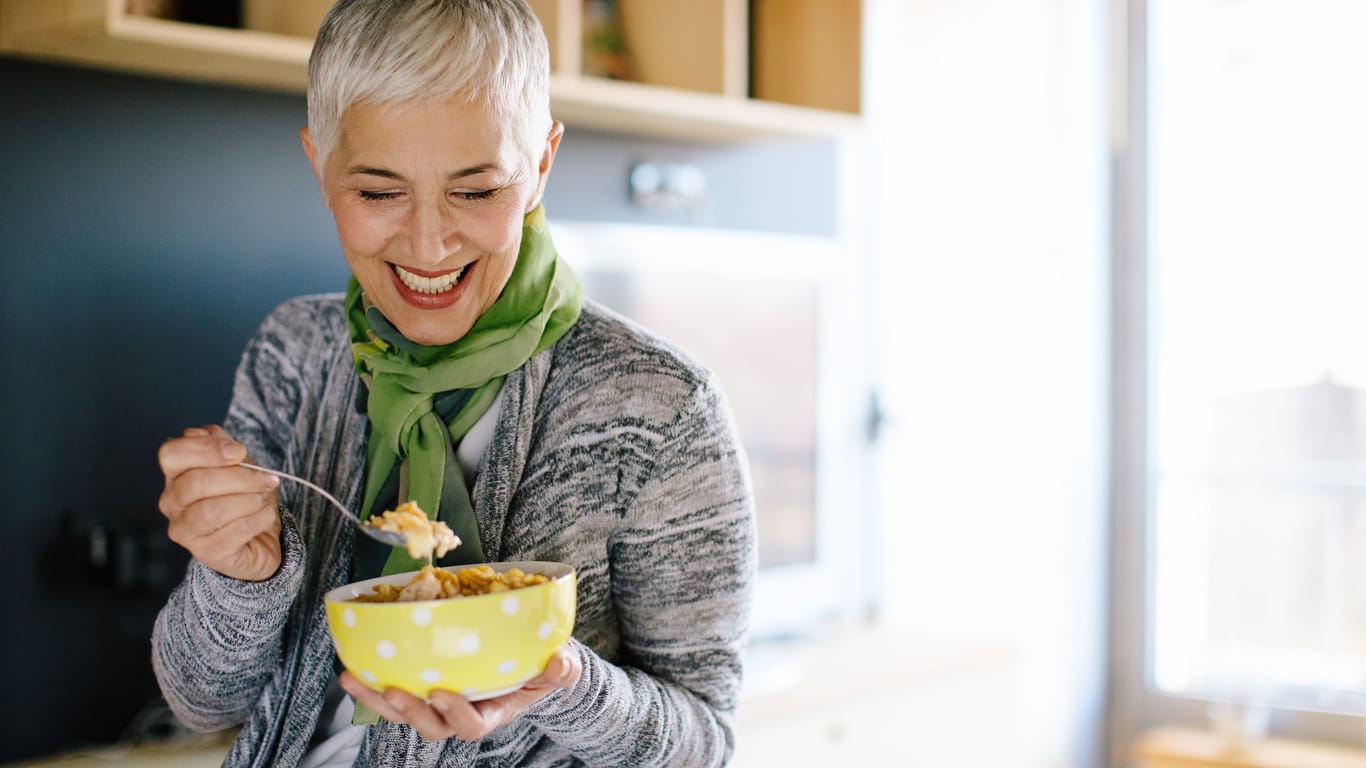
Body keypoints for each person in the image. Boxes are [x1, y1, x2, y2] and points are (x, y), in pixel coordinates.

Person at [150, 0, 757, 765]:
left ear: (539, 165)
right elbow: (202, 702)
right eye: (378, 192)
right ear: (319, 165)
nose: (430, 244)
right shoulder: (294, 355)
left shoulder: (661, 407)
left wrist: (561, 683)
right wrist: (241, 576)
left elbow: (704, 745)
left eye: (476, 191)